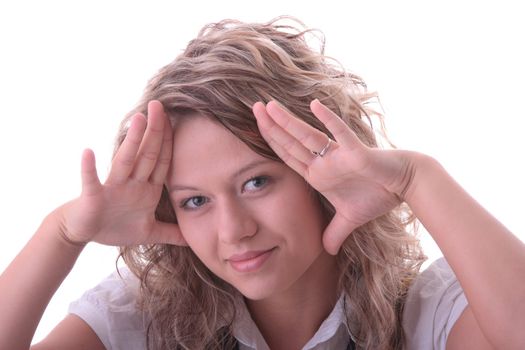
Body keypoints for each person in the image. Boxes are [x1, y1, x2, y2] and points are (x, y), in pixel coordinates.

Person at [1, 16, 524, 350]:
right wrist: (61, 235)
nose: (233, 231)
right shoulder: (138, 322)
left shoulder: (425, 310)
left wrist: (418, 177)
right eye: (196, 200)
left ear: (318, 174)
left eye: (256, 183)